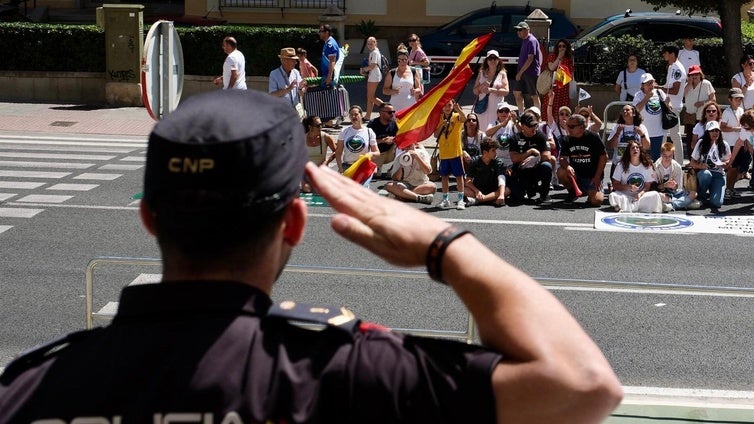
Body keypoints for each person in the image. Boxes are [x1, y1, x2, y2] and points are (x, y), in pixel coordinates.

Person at [0, 90, 624, 422]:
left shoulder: (30, 389)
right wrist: (445, 244)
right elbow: (584, 386)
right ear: (294, 222)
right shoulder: (344, 373)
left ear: (148, 217)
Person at [557, 114, 607, 206]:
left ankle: (590, 193)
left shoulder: (593, 137)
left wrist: (597, 177)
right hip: (576, 176)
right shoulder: (567, 139)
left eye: (571, 126)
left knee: (597, 201)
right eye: (567, 125)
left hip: (592, 177)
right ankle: (573, 191)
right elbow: (562, 158)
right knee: (561, 171)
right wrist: (567, 166)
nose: (568, 128)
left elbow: (604, 157)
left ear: (581, 127)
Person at [509, 111, 553, 204]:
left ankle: (544, 194)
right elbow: (514, 158)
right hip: (521, 171)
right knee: (516, 198)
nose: (533, 128)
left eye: (535, 125)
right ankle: (528, 189)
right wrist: (530, 152)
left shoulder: (541, 136)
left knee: (547, 166)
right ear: (523, 126)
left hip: (536, 169)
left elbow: (547, 156)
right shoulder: (515, 138)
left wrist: (534, 159)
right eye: (530, 126)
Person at [608, 139, 663, 213]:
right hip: (625, 196)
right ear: (629, 152)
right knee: (613, 195)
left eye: (637, 147)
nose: (635, 149)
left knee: (655, 195)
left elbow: (647, 185)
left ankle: (628, 208)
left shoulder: (647, 165)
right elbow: (615, 185)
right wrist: (628, 186)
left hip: (640, 197)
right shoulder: (621, 165)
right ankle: (636, 208)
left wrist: (640, 194)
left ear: (640, 151)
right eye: (632, 148)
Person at [689, 120, 731, 211]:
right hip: (704, 173)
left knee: (716, 203)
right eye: (712, 131)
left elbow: (728, 161)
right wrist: (701, 166)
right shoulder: (701, 143)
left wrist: (725, 164)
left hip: (719, 175)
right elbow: (692, 162)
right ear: (707, 132)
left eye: (717, 130)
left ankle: (713, 190)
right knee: (705, 174)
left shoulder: (724, 145)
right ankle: (702, 197)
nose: (715, 133)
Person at [433, 99, 467, 209]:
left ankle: (460, 199)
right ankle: (445, 199)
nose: (447, 107)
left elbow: (464, 119)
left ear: (453, 106)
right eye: (445, 105)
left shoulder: (456, 116)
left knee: (459, 176)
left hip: (456, 152)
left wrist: (459, 109)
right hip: (444, 152)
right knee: (444, 177)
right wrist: (441, 126)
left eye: (449, 105)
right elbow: (435, 135)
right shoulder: (440, 118)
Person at [334, 105, 379, 183]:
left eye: (356, 114)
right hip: (347, 167)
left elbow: (377, 153)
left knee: (361, 191)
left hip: (363, 167)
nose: (353, 116)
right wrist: (340, 169)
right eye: (351, 115)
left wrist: (369, 154)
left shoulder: (369, 131)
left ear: (361, 115)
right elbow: (338, 152)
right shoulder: (344, 131)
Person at [606, 104, 650, 181]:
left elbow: (646, 146)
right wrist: (617, 133)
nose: (624, 111)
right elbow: (610, 145)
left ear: (634, 113)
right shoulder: (617, 127)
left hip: (636, 164)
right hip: (619, 163)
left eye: (627, 110)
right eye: (623, 110)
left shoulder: (641, 127)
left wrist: (642, 135)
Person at [633, 72, 670, 160]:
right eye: (648, 83)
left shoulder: (659, 92)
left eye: (651, 82)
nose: (651, 85)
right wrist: (646, 98)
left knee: (656, 159)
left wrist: (668, 104)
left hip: (658, 132)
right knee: (642, 158)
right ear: (642, 85)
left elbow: (668, 106)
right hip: (643, 133)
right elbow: (636, 110)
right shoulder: (638, 95)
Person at [464, 137, 510, 207]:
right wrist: (477, 191)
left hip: (494, 190)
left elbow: (501, 180)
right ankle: (491, 200)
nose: (496, 153)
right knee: (462, 189)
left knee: (507, 190)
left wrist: (501, 195)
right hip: (479, 190)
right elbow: (468, 181)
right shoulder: (474, 161)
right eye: (493, 151)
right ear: (485, 152)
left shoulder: (499, 162)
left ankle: (478, 200)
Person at [660, 44, 686, 165]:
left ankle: (679, 163)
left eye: (665, 53)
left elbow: (674, 90)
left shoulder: (677, 68)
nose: (664, 55)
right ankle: (663, 160)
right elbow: (669, 87)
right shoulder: (672, 67)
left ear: (672, 54)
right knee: (666, 134)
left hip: (673, 106)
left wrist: (658, 88)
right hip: (669, 105)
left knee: (674, 135)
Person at [655, 142, 699, 211]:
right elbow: (653, 187)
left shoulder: (677, 167)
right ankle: (683, 204)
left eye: (670, 156)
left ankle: (671, 205)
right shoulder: (655, 167)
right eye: (665, 155)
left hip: (673, 193)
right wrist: (664, 185)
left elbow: (678, 187)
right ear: (661, 154)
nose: (667, 158)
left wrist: (674, 186)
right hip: (661, 192)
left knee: (694, 194)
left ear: (673, 155)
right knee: (659, 196)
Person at [472, 50, 510, 131]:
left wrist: (492, 90)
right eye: (490, 58)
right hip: (482, 107)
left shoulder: (502, 73)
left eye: (495, 58)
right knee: (481, 130)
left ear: (498, 60)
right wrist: (482, 86)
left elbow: (506, 91)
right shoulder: (481, 73)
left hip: (496, 107)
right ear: (486, 60)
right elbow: (475, 91)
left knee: (494, 130)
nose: (492, 60)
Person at [682, 64, 715, 151]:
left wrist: (703, 103)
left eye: (696, 74)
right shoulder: (687, 85)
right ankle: (691, 160)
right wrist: (689, 84)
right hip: (690, 116)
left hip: (702, 117)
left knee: (702, 140)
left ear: (700, 74)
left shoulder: (706, 84)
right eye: (692, 75)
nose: (694, 76)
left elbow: (713, 99)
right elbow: (682, 95)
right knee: (689, 140)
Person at [512, 21, 542, 114]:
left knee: (534, 95)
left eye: (520, 30)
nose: (518, 32)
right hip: (523, 72)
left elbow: (530, 59)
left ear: (527, 30)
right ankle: (521, 113)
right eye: (517, 30)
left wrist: (520, 72)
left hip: (531, 73)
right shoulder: (525, 40)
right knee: (516, 92)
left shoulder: (531, 40)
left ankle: (538, 114)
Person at [383, 45, 423, 113]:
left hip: (410, 108)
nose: (402, 62)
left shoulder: (413, 71)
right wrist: (394, 91)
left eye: (404, 59)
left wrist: (415, 91)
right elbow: (384, 90)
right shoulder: (392, 72)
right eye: (399, 60)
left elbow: (419, 89)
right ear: (397, 60)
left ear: (408, 59)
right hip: (395, 108)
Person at [541, 39, 573, 122]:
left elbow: (571, 74)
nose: (561, 48)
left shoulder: (568, 59)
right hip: (553, 85)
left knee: (562, 106)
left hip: (563, 86)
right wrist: (559, 57)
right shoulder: (552, 56)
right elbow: (551, 67)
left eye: (564, 46)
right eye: (559, 46)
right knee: (550, 104)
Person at [725, 109, 754, 199]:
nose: (745, 130)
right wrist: (731, 160)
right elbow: (738, 143)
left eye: (748, 128)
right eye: (744, 127)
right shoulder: (745, 130)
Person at [269, 47, 308, 114]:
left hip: (297, 111)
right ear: (284, 60)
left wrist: (302, 88)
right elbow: (272, 95)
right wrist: (288, 89)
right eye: (293, 60)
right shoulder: (274, 74)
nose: (296, 62)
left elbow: (301, 92)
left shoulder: (296, 72)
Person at [367, 102, 398, 177]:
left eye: (393, 112)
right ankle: (378, 167)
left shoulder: (394, 123)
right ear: (381, 113)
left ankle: (393, 169)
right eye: (390, 112)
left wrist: (394, 139)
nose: (392, 114)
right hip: (378, 154)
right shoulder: (372, 124)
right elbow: (366, 142)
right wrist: (382, 140)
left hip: (390, 152)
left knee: (404, 147)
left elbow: (400, 137)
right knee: (375, 175)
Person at [486, 102, 518, 168]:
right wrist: (501, 125)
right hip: (496, 160)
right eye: (501, 111)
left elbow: (522, 133)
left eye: (506, 111)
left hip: (510, 161)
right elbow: (487, 133)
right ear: (497, 113)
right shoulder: (493, 123)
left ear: (509, 113)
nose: (504, 113)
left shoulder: (513, 124)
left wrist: (516, 122)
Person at [359, 36, 384, 121]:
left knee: (370, 97)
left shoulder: (374, 53)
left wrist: (364, 69)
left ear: (375, 43)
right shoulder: (374, 52)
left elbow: (373, 66)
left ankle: (387, 109)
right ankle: (368, 116)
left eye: (371, 43)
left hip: (374, 76)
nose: (369, 45)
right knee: (370, 96)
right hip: (373, 75)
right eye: (368, 44)